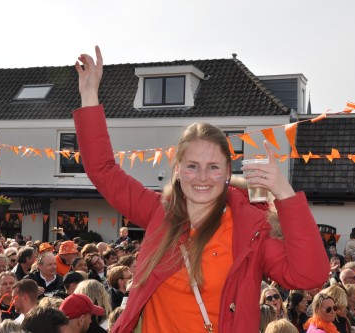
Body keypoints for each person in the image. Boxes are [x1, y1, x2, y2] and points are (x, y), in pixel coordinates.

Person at [73, 46, 329, 333]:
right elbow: (103, 170)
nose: (202, 177)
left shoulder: (250, 232)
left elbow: (311, 275)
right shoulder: (159, 212)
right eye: (192, 166)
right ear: (178, 170)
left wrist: (284, 193)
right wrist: (89, 94)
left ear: (228, 173)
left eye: (214, 167)